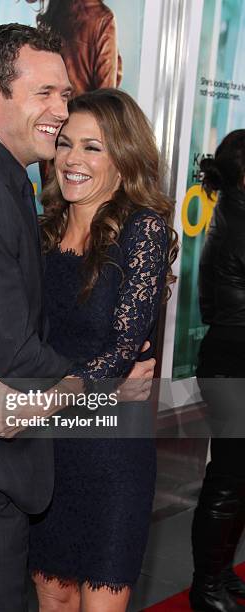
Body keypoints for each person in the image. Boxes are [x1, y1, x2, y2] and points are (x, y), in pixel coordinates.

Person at [0, 24, 154, 612]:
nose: (60, 119)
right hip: (1, 449)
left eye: (65, 97)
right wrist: (101, 387)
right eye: (46, 95)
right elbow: (7, 345)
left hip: (71, 445)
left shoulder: (10, 188)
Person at [190, 130, 245, 612]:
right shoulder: (238, 217)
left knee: (235, 476)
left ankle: (220, 574)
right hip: (233, 362)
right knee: (227, 478)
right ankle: (206, 586)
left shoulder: (233, 208)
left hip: (230, 356)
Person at [27, 0, 122, 95]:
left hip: (59, 105)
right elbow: (106, 96)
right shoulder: (101, 18)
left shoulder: (57, 13)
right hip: (78, 106)